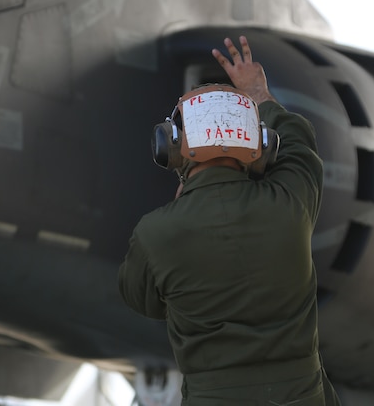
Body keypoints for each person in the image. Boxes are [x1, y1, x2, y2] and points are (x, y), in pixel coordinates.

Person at [118, 36, 341, 405]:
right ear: (260, 144)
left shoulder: (156, 234)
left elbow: (140, 298)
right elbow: (300, 144)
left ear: (172, 146)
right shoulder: (290, 204)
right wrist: (258, 92)